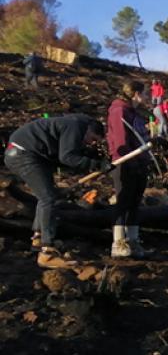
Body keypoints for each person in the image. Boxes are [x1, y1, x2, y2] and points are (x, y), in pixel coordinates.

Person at [4, 114, 107, 268]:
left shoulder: (75, 124)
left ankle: (38, 239)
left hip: (32, 155)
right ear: (89, 130)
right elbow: (67, 157)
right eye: (93, 139)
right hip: (23, 154)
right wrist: (97, 165)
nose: (91, 143)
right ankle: (47, 251)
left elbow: (62, 157)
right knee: (48, 198)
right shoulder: (76, 126)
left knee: (45, 197)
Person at [107, 82, 152, 258]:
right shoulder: (119, 111)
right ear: (136, 94)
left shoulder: (135, 113)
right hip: (125, 162)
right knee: (123, 201)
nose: (147, 97)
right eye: (145, 94)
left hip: (139, 162)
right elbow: (120, 140)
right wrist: (128, 161)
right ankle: (118, 242)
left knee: (134, 202)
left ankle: (132, 241)